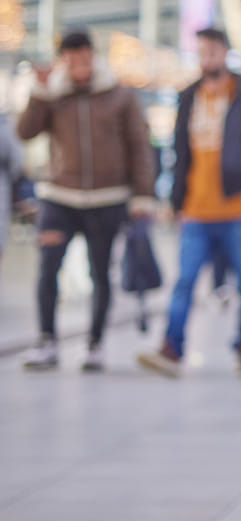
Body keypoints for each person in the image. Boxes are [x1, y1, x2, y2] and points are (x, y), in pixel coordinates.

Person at [139, 27, 241, 377]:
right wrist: (175, 200)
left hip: (240, 207)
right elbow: (180, 154)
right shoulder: (188, 98)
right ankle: (171, 347)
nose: (206, 59)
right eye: (201, 52)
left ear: (224, 53)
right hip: (196, 208)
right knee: (185, 280)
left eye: (212, 52)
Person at [16, 30, 155, 372]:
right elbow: (25, 132)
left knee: (100, 272)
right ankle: (47, 341)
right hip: (58, 197)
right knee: (48, 268)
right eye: (72, 60)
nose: (79, 66)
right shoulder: (53, 93)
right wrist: (39, 91)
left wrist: (142, 195)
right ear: (63, 60)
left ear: (93, 56)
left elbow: (139, 146)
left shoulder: (119, 94)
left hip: (107, 199)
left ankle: (95, 343)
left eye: (84, 58)